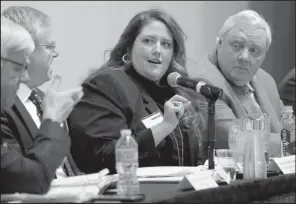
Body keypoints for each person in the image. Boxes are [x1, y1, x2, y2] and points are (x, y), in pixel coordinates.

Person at [67, 9, 205, 174]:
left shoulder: (175, 92)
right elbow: (101, 158)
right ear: (128, 48)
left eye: (166, 44)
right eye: (148, 41)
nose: (158, 50)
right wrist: (163, 127)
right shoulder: (106, 85)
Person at [0, 16, 84, 194]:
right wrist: (52, 122)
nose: (25, 77)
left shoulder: (42, 98)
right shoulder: (6, 107)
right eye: (18, 68)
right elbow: (26, 180)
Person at [193, 10, 287, 157]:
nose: (244, 57)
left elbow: (288, 125)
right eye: (236, 46)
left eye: (254, 50)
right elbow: (238, 141)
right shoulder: (203, 83)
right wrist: (290, 143)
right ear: (219, 43)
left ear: (263, 56)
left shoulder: (265, 80)